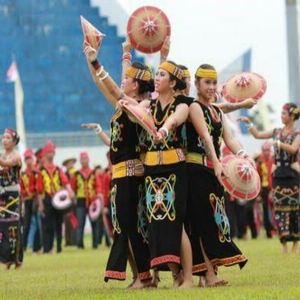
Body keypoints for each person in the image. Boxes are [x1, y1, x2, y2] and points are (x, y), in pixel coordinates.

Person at [83, 43, 153, 288]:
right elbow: (101, 83)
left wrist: (97, 62)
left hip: (133, 174)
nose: (123, 81)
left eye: (128, 79)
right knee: (123, 227)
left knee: (132, 227)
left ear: (137, 85)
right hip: (120, 175)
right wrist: (91, 57)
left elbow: (114, 86)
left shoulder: (143, 106)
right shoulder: (121, 105)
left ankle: (144, 277)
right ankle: (140, 276)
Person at [186, 64, 248, 287]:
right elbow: (205, 138)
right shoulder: (194, 107)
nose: (212, 87)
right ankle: (209, 276)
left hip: (213, 171)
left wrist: (242, 154)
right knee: (203, 222)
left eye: (214, 83)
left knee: (216, 222)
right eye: (207, 83)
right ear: (197, 84)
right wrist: (216, 162)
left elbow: (229, 139)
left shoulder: (217, 111)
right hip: (197, 171)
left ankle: (208, 275)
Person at [238, 103, 300, 253]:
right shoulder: (276, 131)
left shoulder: (297, 134)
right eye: (281, 113)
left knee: (294, 209)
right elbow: (257, 135)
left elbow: (293, 149)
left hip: (292, 175)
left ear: (292, 116)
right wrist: (249, 124)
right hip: (278, 175)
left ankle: (295, 245)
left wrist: (278, 143)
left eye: (284, 113)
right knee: (279, 210)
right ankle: (284, 245)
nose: (281, 116)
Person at [37, 141, 74, 254]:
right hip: (47, 199)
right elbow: (39, 189)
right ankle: (48, 248)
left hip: (58, 199)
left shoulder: (58, 169)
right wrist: (40, 203)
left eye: (52, 152)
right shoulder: (41, 170)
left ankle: (59, 247)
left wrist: (70, 191)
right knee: (49, 225)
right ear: (45, 154)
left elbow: (65, 181)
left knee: (59, 224)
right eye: (49, 152)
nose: (51, 154)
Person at [0, 129, 23, 269]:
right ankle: (7, 259)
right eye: (3, 138)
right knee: (2, 227)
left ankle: (17, 260)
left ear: (14, 141)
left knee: (14, 227)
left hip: (13, 196)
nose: (4, 140)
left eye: (8, 137)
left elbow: (7, 164)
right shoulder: (2, 155)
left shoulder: (16, 156)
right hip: (2, 196)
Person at [71, 152, 103, 249]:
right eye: (82, 159)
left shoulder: (93, 173)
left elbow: (98, 186)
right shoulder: (76, 174)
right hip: (80, 201)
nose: (84, 160)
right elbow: (73, 187)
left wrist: (98, 195)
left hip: (92, 201)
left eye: (85, 158)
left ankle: (95, 244)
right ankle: (79, 245)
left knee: (94, 223)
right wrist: (73, 197)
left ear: (88, 160)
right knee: (80, 224)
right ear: (80, 161)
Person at [20, 149, 40, 252]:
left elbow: (39, 185)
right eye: (26, 159)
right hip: (27, 200)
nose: (28, 161)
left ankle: (37, 247)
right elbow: (21, 187)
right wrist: (25, 193)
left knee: (37, 224)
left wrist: (34, 192)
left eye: (30, 158)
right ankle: (24, 247)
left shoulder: (36, 172)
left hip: (36, 200)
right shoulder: (23, 174)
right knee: (26, 224)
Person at [256, 142, 275, 238]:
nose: (267, 152)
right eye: (265, 151)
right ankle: (269, 232)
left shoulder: (274, 161)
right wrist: (258, 194)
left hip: (274, 188)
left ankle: (278, 230)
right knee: (266, 211)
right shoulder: (260, 162)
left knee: (276, 210)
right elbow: (258, 177)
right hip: (264, 190)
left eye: (268, 150)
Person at [62, 157, 77, 247]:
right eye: (69, 163)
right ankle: (68, 241)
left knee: (75, 220)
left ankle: (75, 240)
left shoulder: (76, 173)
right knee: (66, 220)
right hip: (66, 200)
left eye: (71, 163)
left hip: (74, 199)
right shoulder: (64, 174)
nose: (70, 165)